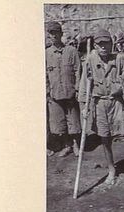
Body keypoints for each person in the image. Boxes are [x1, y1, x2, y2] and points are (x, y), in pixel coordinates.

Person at [78, 28, 124, 185]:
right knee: (105, 137)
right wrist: (84, 107)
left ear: (111, 44)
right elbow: (84, 86)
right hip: (99, 103)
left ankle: (120, 163)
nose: (103, 47)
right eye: (100, 44)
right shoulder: (90, 61)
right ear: (95, 45)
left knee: (120, 134)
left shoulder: (119, 59)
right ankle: (111, 169)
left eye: (106, 43)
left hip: (116, 102)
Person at [46, 21, 82, 157]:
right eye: (51, 33)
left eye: (56, 33)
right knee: (60, 122)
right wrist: (48, 92)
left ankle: (76, 144)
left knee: (73, 120)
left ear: (61, 34)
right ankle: (67, 145)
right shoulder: (47, 53)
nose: (53, 36)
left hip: (70, 92)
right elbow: (45, 75)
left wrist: (78, 89)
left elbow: (78, 71)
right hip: (55, 94)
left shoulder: (71, 51)